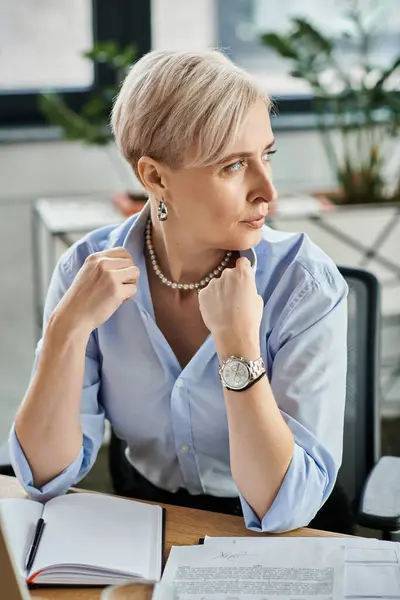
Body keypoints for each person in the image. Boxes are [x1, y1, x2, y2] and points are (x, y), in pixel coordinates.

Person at [9, 49, 348, 533]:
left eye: (266, 155)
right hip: (145, 520)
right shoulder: (86, 272)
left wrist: (237, 346)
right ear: (154, 177)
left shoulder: (304, 286)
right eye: (232, 166)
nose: (267, 190)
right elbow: (42, 476)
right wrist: (67, 329)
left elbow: (284, 509)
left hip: (285, 534)